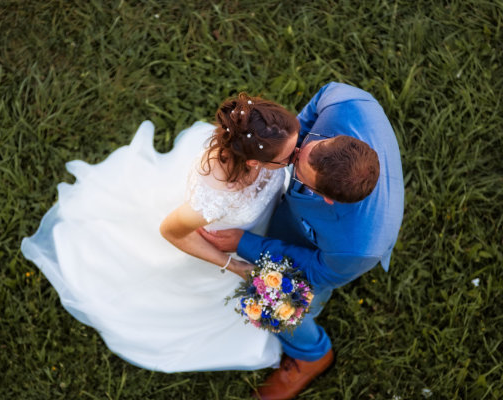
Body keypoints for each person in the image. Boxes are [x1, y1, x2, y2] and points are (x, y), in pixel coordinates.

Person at [21, 93, 300, 372]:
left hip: (253, 227)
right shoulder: (214, 198)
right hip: (216, 244)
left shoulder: (265, 139)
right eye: (287, 158)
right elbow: (171, 231)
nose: (296, 156)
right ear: (253, 163)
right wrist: (234, 265)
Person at [200, 82, 405, 399]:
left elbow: (314, 270)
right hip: (309, 218)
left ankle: (312, 355)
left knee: (285, 297)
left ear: (324, 198)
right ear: (337, 138)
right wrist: (282, 148)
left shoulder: (359, 246)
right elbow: (319, 101)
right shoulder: (350, 103)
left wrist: (245, 244)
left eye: (297, 164)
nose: (295, 154)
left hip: (331, 248)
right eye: (308, 146)